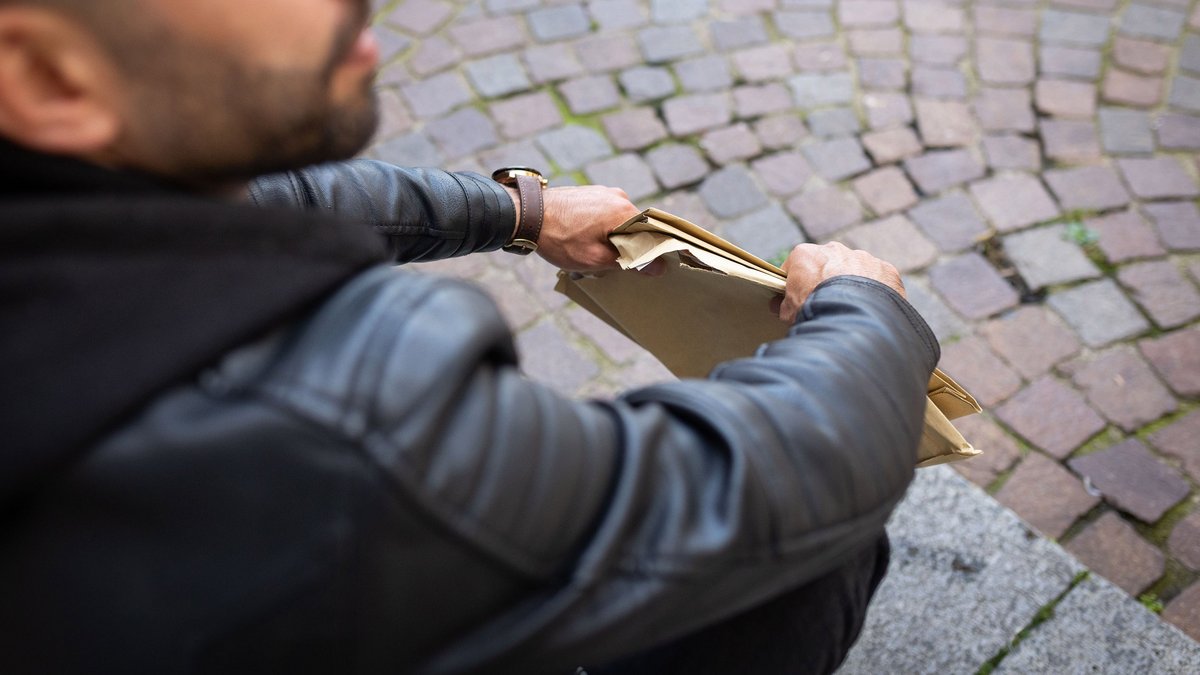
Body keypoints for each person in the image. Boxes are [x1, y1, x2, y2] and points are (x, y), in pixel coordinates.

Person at [0, 0, 939, 673]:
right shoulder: (329, 413)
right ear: (45, 75)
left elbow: (273, 199)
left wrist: (517, 213)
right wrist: (864, 314)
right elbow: (741, 487)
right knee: (811, 556)